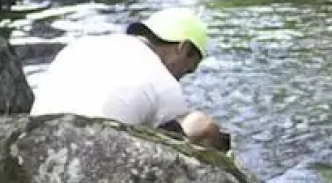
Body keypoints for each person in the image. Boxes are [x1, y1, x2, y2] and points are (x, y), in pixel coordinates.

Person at [31, 8, 230, 150]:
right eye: (187, 71)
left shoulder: (82, 45)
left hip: (35, 145)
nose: (179, 80)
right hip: (90, 162)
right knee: (200, 124)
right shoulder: (165, 85)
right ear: (183, 48)